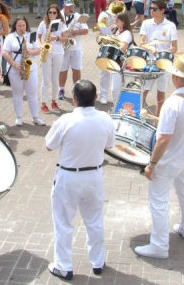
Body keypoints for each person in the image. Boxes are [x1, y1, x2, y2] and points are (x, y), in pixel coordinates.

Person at [134, 52, 184, 259]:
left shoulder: (172, 103)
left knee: (158, 200)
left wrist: (151, 164)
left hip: (169, 160)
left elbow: (163, 139)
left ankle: (159, 246)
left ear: (175, 78)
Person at [45, 80, 115, 280]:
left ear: (74, 99)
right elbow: (110, 144)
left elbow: (49, 145)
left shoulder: (65, 120)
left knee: (63, 222)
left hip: (68, 176)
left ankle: (64, 265)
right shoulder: (105, 118)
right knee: (94, 220)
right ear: (94, 98)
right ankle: (98, 261)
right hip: (94, 175)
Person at [2, 17, 46, 126]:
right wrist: (14, 64)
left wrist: (29, 51)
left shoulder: (31, 35)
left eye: (23, 25)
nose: (22, 28)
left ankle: (35, 117)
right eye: (19, 26)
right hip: (15, 69)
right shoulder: (10, 37)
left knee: (32, 94)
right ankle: (19, 117)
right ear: (15, 26)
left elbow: (39, 49)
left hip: (30, 69)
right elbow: (5, 53)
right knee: (17, 94)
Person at [139, 0, 179, 115]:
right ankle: (138, 110)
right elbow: (141, 41)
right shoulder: (146, 23)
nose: (151, 11)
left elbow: (174, 47)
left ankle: (158, 116)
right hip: (149, 61)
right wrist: (151, 49)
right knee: (144, 88)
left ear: (162, 10)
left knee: (161, 91)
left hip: (165, 62)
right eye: (150, 8)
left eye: (154, 9)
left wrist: (163, 53)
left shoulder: (171, 25)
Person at [38, 4, 68, 114]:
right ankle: (43, 103)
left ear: (58, 14)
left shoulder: (61, 24)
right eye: (49, 12)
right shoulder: (43, 23)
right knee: (45, 79)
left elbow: (66, 38)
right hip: (46, 52)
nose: (51, 14)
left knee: (55, 78)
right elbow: (39, 36)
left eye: (54, 13)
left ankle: (54, 101)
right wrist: (42, 45)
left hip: (58, 52)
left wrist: (57, 37)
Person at [59, 0, 89, 100]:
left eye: (71, 6)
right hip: (62, 48)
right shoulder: (58, 16)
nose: (70, 8)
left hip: (76, 48)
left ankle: (77, 91)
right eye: (67, 7)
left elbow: (86, 31)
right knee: (63, 70)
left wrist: (75, 32)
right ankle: (61, 90)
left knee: (76, 70)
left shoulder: (78, 17)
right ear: (63, 6)